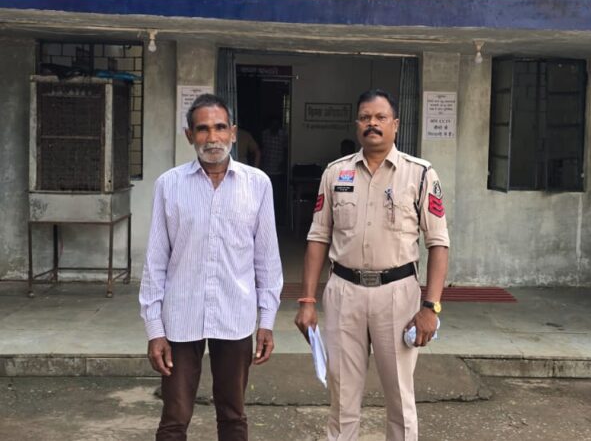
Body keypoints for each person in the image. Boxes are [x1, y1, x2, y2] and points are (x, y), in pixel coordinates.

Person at [295, 89, 449, 441]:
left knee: (399, 396)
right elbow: (318, 237)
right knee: (342, 395)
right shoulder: (336, 173)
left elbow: (439, 243)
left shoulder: (420, 174)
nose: (372, 124)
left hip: (397, 295)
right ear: (357, 125)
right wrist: (307, 300)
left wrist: (431, 307)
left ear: (396, 124)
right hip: (343, 293)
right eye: (365, 117)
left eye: (381, 117)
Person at [140, 93, 283, 441]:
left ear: (233, 132)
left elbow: (267, 260)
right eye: (203, 129)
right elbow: (155, 261)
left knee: (233, 414)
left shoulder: (257, 185)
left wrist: (266, 321)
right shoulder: (169, 185)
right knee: (174, 418)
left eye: (220, 127)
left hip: (235, 315)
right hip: (181, 316)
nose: (212, 137)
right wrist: (154, 329)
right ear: (189, 135)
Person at [260, 116, 288, 224]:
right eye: (273, 124)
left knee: (277, 195)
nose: (274, 126)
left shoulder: (283, 135)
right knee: (266, 195)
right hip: (266, 169)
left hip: (278, 170)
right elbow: (261, 150)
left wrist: (284, 164)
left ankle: (278, 217)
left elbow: (286, 150)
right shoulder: (265, 134)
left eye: (276, 124)